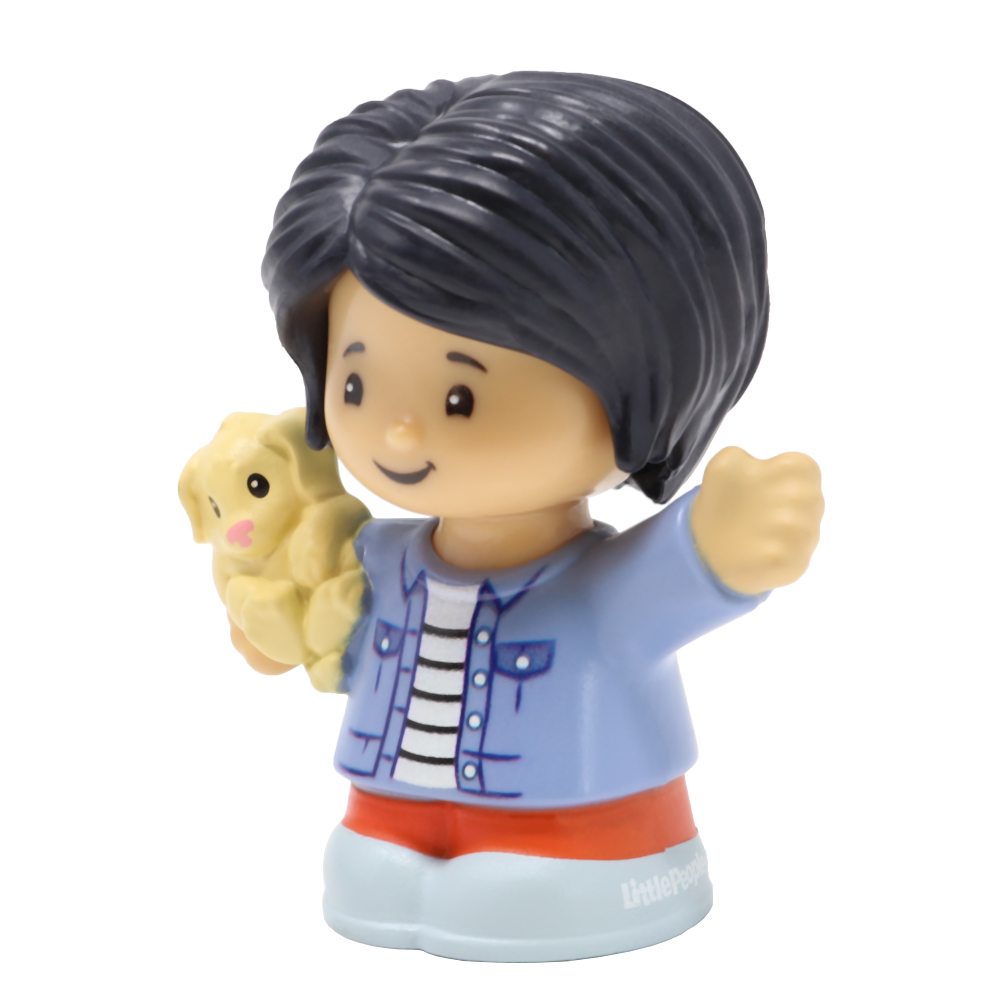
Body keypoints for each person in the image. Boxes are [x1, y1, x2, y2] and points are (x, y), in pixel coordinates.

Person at [239, 72, 823, 961]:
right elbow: (321, 634)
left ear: (637, 377)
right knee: (367, 869)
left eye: (462, 397)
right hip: (386, 811)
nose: (399, 431)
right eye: (355, 383)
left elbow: (689, 566)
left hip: (589, 830)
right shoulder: (373, 560)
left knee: (517, 891)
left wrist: (730, 539)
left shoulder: (604, 588)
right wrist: (272, 627)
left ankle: (539, 865)